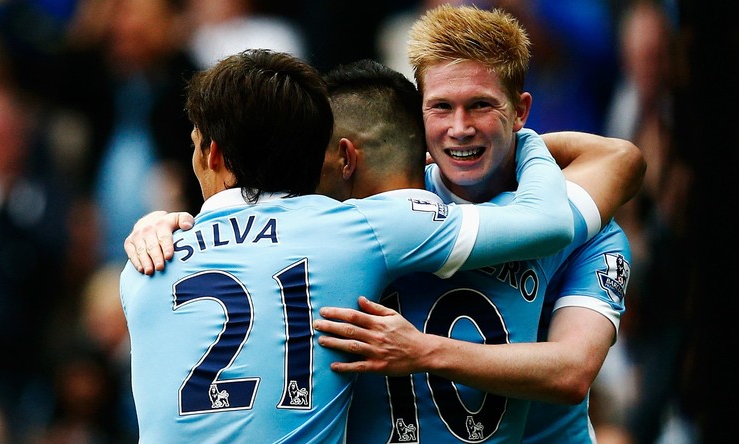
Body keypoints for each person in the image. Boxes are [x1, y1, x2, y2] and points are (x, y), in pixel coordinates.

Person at [125, 55, 641, 444]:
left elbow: (572, 370)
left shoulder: (145, 267)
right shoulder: (365, 228)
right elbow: (607, 166)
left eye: (481, 107)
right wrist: (516, 140)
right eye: (442, 109)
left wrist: (425, 351)